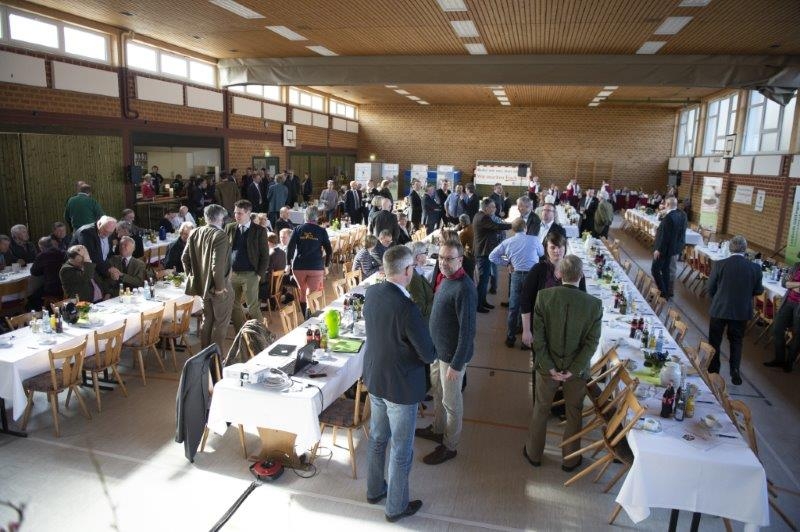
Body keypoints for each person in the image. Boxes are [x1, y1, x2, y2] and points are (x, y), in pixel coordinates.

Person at [363, 245, 435, 523]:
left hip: (376, 378)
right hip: (401, 387)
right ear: (407, 270)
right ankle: (395, 507)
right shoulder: (407, 308)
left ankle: (374, 490)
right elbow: (427, 354)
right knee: (402, 450)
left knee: (378, 438)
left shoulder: (372, 293)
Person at [524, 255, 601, 471]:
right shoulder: (594, 305)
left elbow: (539, 338)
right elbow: (591, 343)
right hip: (576, 372)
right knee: (574, 412)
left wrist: (549, 366)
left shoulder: (543, 297)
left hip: (547, 367)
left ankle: (534, 454)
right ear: (581, 275)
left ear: (559, 274)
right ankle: (571, 459)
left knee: (541, 409)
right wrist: (573, 369)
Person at [415, 240, 477, 465]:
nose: (443, 262)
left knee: (452, 402)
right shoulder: (445, 279)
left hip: (451, 357)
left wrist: (457, 364)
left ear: (460, 260)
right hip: (438, 352)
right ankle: (438, 429)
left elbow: (468, 332)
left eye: (449, 258)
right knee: (438, 393)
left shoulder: (464, 289)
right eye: (441, 257)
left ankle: (450, 446)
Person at [707, 235, 764, 385]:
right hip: (741, 311)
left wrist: (717, 299)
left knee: (715, 340)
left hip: (720, 308)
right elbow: (759, 290)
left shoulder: (719, 264)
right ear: (745, 249)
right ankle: (735, 370)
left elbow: (710, 287)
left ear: (730, 248)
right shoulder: (755, 268)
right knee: (736, 341)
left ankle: (713, 370)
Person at [520, 231, 587, 350]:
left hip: (566, 330)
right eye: (553, 247)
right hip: (541, 326)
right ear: (546, 249)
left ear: (565, 247)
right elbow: (525, 300)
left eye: (560, 246)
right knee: (539, 358)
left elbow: (582, 299)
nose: (557, 251)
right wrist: (526, 330)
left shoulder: (575, 270)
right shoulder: (538, 270)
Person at [182, 204, 234, 350]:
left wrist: (194, 278)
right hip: (218, 287)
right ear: (220, 218)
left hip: (203, 287)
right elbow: (216, 266)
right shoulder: (220, 235)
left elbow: (184, 258)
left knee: (207, 321)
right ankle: (216, 357)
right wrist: (220, 288)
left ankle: (205, 355)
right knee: (220, 323)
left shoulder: (195, 232)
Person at [489, 218, 544, 347]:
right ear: (526, 228)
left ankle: (510, 338)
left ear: (513, 230)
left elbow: (492, 256)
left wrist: (507, 263)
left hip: (516, 275)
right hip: (532, 276)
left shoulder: (507, 242)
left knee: (513, 307)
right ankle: (526, 340)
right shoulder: (534, 240)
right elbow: (541, 253)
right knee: (529, 306)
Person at [225, 200, 270, 332]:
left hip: (251, 274)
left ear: (248, 213)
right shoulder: (230, 227)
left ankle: (261, 335)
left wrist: (259, 275)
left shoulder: (259, 230)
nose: (236, 216)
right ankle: (242, 333)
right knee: (233, 305)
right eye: (235, 213)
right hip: (233, 274)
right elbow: (226, 250)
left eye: (240, 213)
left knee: (252, 307)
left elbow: (265, 256)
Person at [286, 205, 332, 318]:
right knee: (311, 295)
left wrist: (288, 264)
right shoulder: (321, 231)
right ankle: (309, 318)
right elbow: (329, 250)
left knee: (303, 292)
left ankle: (305, 318)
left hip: (299, 267)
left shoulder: (297, 229)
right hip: (315, 266)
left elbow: (290, 248)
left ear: (305, 216)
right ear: (317, 217)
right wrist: (326, 265)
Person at [473, 198, 511, 313]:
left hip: (485, 251)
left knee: (485, 280)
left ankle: (483, 301)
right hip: (483, 253)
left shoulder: (480, 215)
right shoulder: (483, 217)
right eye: (493, 207)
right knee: (483, 280)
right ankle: (478, 305)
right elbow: (496, 226)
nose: (495, 209)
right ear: (486, 208)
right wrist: (512, 225)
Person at [651, 196, 687, 299]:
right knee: (666, 270)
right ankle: (666, 293)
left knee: (655, 270)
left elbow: (665, 236)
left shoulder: (668, 218)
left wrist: (658, 249)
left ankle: (662, 291)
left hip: (663, 249)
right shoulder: (682, 215)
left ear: (667, 204)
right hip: (672, 249)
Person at [767, 262, 800, 373]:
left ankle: (789, 363)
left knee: (797, 335)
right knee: (777, 329)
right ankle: (779, 359)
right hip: (788, 302)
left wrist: (792, 284)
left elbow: (790, 285)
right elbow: (784, 283)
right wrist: (797, 284)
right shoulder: (796, 266)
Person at [72, 215, 119, 288]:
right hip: (81, 271)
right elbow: (92, 256)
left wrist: (112, 267)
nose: (107, 235)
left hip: (98, 268)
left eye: (110, 233)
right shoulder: (86, 233)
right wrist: (109, 269)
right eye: (105, 231)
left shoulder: (108, 230)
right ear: (99, 224)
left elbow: (107, 254)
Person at [29, 237, 66, 309]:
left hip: (52, 288)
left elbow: (34, 272)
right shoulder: (63, 253)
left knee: (32, 296)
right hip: (65, 285)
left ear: (41, 247)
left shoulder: (42, 256)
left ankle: (42, 312)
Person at [405, 241, 434, 319]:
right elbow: (421, 310)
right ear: (418, 257)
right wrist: (438, 299)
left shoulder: (416, 271)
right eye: (425, 253)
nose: (427, 255)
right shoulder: (413, 278)